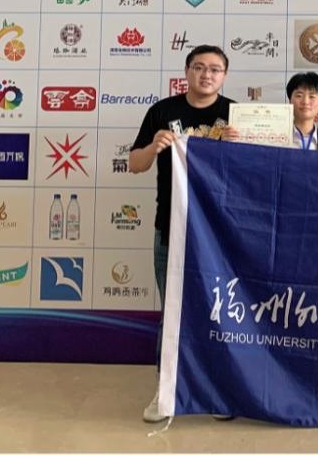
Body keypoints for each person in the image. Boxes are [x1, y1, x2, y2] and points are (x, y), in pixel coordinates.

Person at [129, 44, 235, 424]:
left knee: (220, 314)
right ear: (187, 71)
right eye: (199, 67)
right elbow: (134, 164)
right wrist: (153, 147)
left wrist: (241, 145)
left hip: (221, 232)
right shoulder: (163, 112)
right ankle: (166, 390)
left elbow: (259, 168)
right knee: (173, 312)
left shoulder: (235, 114)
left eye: (215, 69)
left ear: (224, 76)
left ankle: (218, 391)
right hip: (171, 226)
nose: (207, 74)